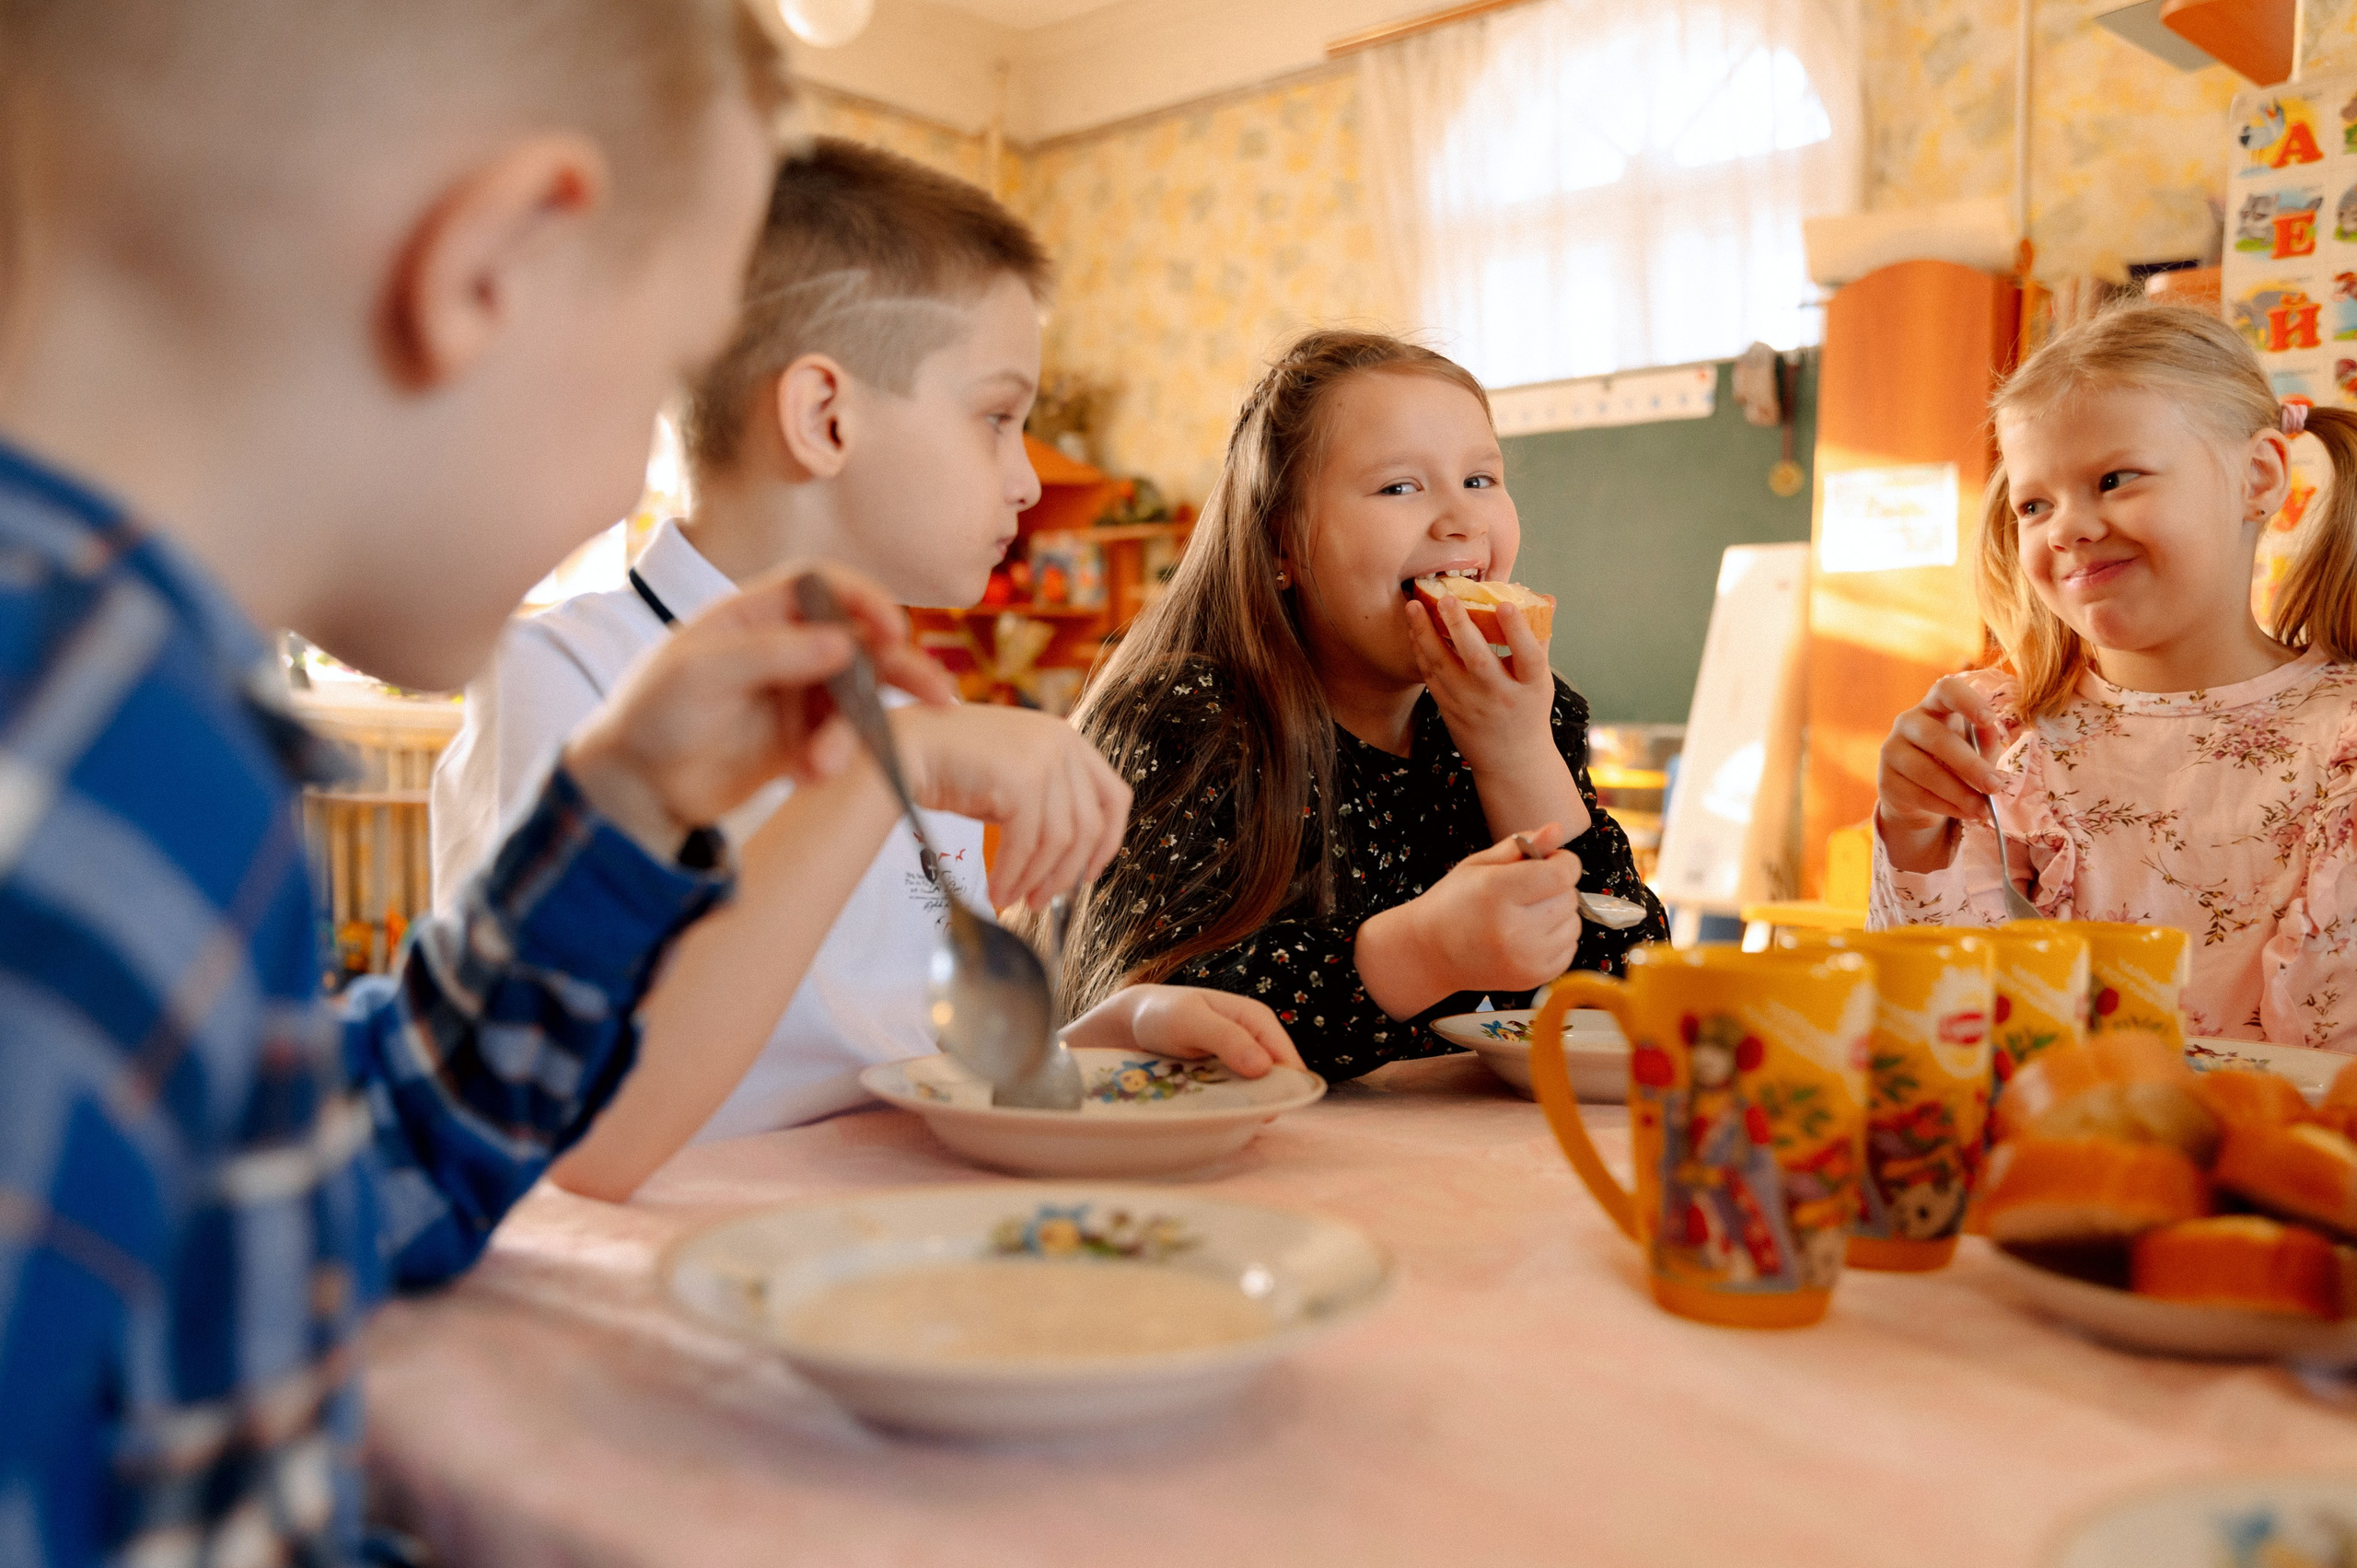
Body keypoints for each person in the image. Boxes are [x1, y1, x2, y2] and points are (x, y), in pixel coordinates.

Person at [0, 6, 944, 1562]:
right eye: (661, 373)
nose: (630, 479)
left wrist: (620, 810)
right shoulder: (115, 769)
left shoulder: (109, 712)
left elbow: (308, 1187)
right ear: (486, 269)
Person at [434, 136, 1297, 1200]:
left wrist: (1104, 1030)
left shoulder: (906, 706)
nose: (1028, 480)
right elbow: (569, 1132)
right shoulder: (564, 678)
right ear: (825, 418)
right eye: (997, 418)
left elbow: (892, 1058)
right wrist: (885, 764)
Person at [1056, 330, 1669, 1081]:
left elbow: (1629, 999)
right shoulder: (1188, 719)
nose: (1462, 520)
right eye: (1400, 488)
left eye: (1480, 478)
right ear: (1282, 544)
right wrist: (1421, 951)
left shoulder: (1526, 712)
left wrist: (1517, 755)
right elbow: (1152, 1017)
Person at [1872, 304, 2357, 1049]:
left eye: (2114, 478)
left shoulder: (2343, 737)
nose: (2066, 527)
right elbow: (1932, 1029)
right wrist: (1911, 832)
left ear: (2257, 477)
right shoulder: (2000, 736)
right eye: (2034, 504)